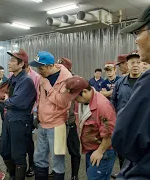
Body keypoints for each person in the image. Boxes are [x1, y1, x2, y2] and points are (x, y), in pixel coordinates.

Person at [112, 5, 150, 179]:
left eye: (138, 33)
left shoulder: (147, 81)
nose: (136, 40)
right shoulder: (122, 83)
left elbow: (124, 138)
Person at [64, 76, 117, 180]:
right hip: (91, 149)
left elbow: (110, 133)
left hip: (103, 150)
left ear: (84, 91)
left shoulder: (103, 106)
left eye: (75, 97)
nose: (74, 100)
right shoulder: (83, 101)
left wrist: (100, 151)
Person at [30, 51, 72, 180]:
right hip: (42, 123)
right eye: (37, 68)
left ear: (50, 65)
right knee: (39, 158)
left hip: (57, 125)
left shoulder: (66, 79)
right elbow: (40, 98)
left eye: (41, 68)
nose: (39, 71)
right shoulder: (44, 76)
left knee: (57, 161)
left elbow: (63, 102)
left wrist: (48, 87)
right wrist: (37, 113)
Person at [0, 49, 36, 180]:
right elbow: (2, 97)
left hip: (20, 120)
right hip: (9, 118)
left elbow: (16, 102)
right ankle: (12, 175)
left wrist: (5, 100)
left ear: (21, 64)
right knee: (4, 150)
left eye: (13, 60)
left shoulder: (26, 81)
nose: (9, 63)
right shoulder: (12, 79)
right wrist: (4, 100)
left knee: (18, 154)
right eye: (10, 60)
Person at [110, 50, 142, 178]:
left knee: (140, 154)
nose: (135, 65)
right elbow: (113, 101)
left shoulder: (147, 82)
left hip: (141, 126)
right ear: (127, 65)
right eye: (132, 62)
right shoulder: (119, 83)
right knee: (122, 152)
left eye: (138, 62)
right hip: (123, 125)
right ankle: (124, 173)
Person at [57, 57, 80, 180]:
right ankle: (57, 174)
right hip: (57, 122)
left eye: (61, 67)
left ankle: (75, 175)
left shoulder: (75, 81)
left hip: (70, 122)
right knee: (57, 151)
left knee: (74, 150)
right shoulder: (54, 80)